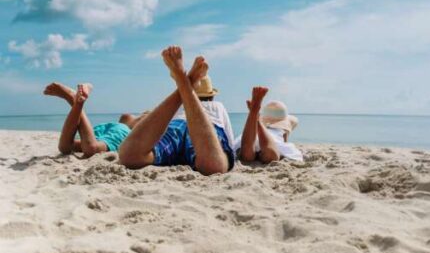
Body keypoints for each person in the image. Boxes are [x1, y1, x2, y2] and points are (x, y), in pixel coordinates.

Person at [117, 46, 235, 175]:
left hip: (177, 124)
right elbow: (230, 140)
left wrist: (183, 88)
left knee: (129, 157)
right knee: (213, 167)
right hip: (206, 128)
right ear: (212, 96)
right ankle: (184, 81)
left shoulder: (178, 105)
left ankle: (183, 81)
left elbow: (159, 125)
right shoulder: (217, 105)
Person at [43, 82, 144, 158]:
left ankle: (73, 100)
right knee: (91, 148)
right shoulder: (146, 119)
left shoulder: (137, 117)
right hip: (123, 132)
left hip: (108, 129)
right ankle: (75, 100)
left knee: (65, 148)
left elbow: (126, 118)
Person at [237, 86, 303, 163]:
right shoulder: (281, 130)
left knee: (246, 156)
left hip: (252, 135)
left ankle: (255, 118)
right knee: (272, 156)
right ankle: (257, 121)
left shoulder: (251, 130)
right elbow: (284, 142)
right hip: (270, 140)